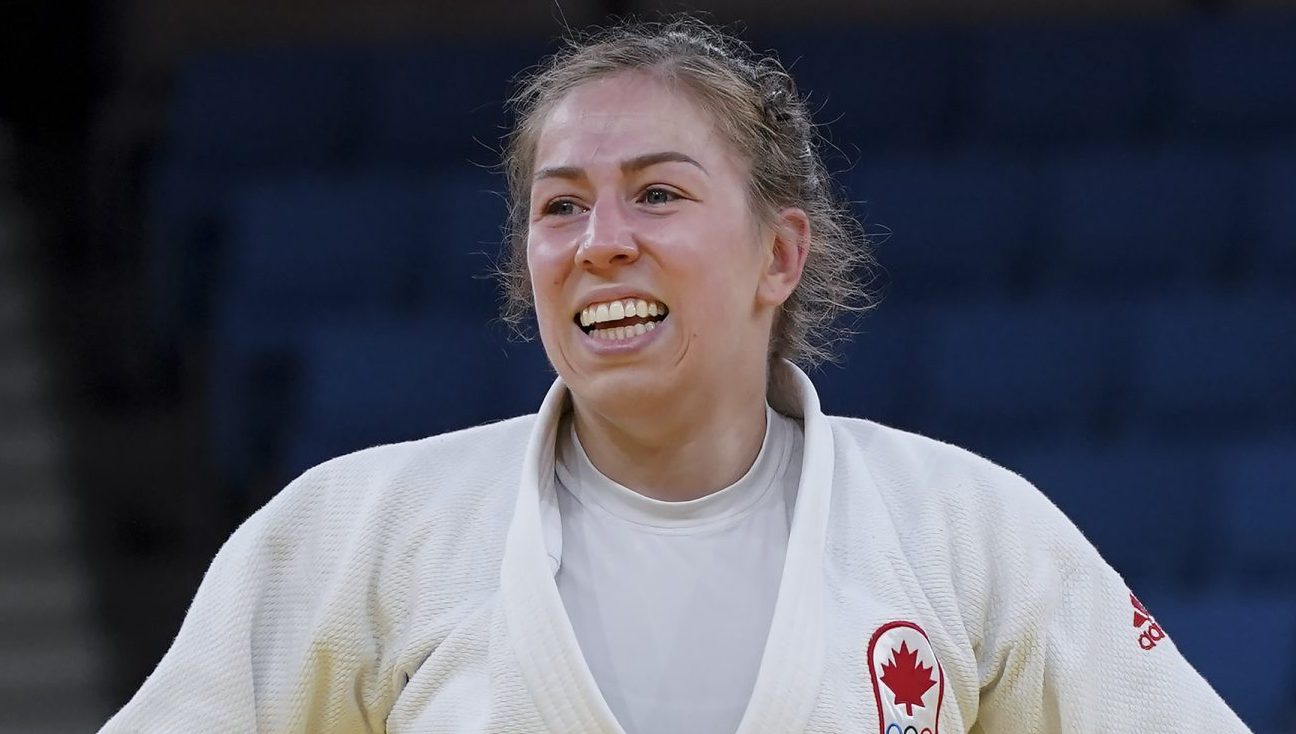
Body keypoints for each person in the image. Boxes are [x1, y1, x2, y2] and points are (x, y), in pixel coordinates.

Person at [101, 16, 1247, 734]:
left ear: (779, 253)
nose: (600, 239)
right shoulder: (357, 529)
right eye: (559, 205)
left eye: (657, 192)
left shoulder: (967, 530)